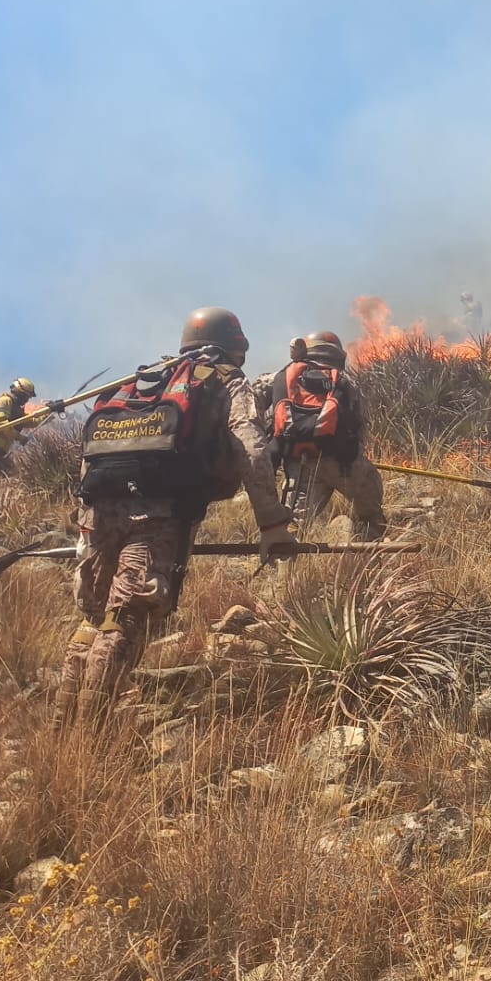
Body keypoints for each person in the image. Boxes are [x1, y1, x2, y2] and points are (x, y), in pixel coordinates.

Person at [55, 307, 296, 724]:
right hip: (160, 516)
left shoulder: (143, 380)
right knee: (128, 616)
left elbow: (89, 457)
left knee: (91, 618)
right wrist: (271, 522)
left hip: (97, 511)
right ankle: (86, 741)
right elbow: (251, 448)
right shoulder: (223, 379)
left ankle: (60, 729)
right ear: (236, 345)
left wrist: (85, 524)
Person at [259, 329, 386, 540]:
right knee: (372, 512)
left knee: (294, 527)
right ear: (337, 355)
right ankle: (369, 550)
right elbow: (361, 425)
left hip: (300, 465)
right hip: (344, 464)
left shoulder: (280, 377)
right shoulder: (346, 381)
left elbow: (256, 407)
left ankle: (282, 569)